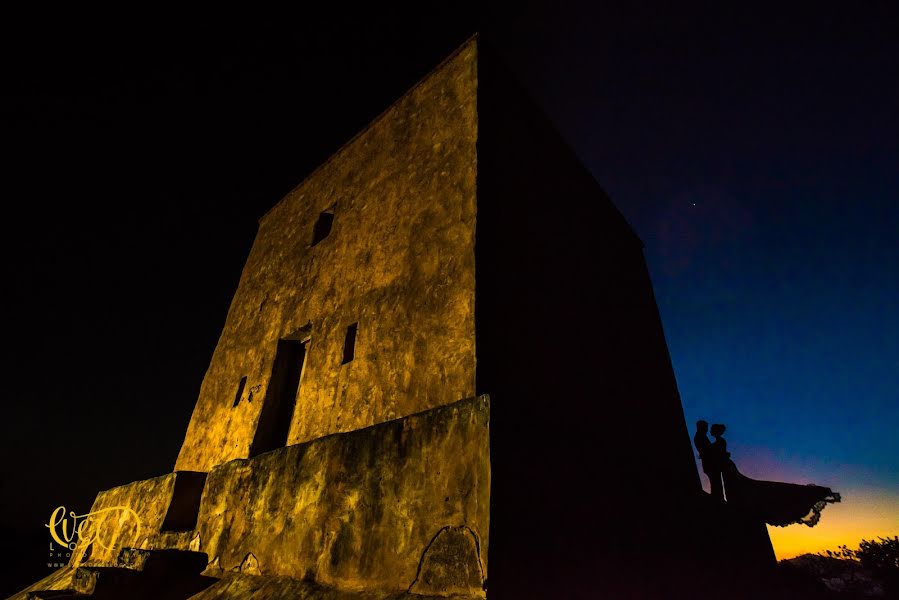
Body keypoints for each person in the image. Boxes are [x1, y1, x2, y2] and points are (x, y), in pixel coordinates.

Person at [712, 424, 841, 527]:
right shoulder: (719, 442)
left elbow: (719, 454)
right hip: (726, 466)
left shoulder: (720, 442)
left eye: (714, 430)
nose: (713, 432)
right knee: (737, 485)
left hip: (727, 466)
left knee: (741, 485)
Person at [694, 420, 725, 501]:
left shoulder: (701, 436)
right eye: (706, 428)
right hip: (710, 464)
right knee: (715, 482)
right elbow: (707, 450)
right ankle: (718, 499)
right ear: (702, 427)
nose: (707, 430)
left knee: (715, 482)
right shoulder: (700, 437)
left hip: (710, 464)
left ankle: (718, 498)